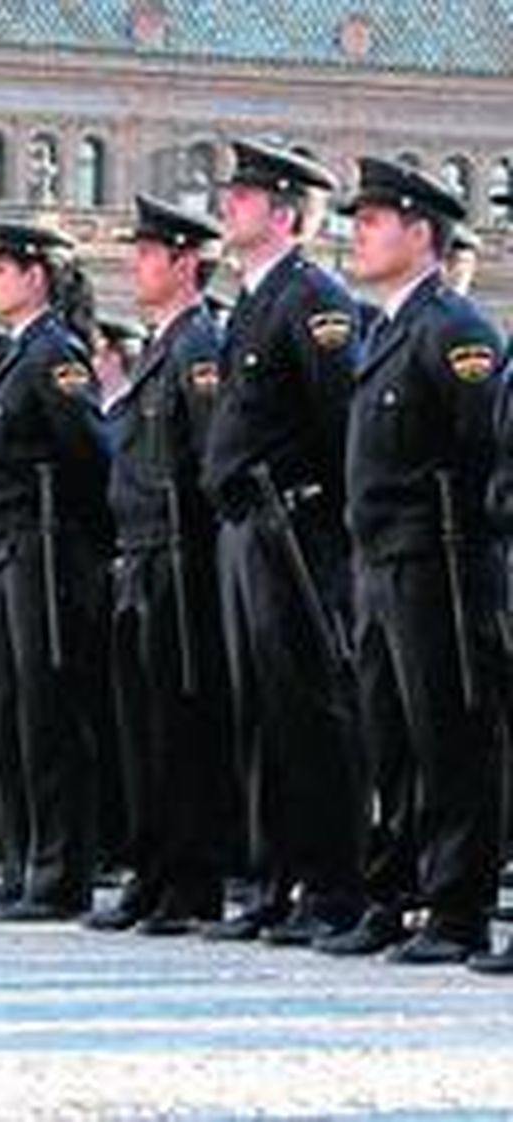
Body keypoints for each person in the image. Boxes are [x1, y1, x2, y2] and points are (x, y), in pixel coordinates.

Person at [312, 158, 506, 965]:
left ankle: (455, 907)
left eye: (374, 219)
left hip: (438, 561)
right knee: (387, 736)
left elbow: (482, 446)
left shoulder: (452, 328)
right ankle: (391, 895)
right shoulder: (388, 328)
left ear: (420, 232)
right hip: (379, 560)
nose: (357, 232)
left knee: (447, 734)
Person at [201, 138, 367, 946]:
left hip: (296, 529)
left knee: (309, 712)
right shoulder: (253, 302)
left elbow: (343, 429)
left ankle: (330, 887)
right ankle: (275, 882)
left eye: (244, 196)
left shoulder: (313, 301)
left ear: (284, 213)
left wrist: (331, 532)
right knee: (260, 713)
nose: (227, 205)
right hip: (247, 530)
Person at [90, 194, 229, 935]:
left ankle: (188, 879)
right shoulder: (163, 345)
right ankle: (151, 871)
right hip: (140, 555)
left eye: (147, 252)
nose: (133, 265)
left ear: (184, 263)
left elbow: (210, 459)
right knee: (141, 725)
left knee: (181, 725)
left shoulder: (199, 346)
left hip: (181, 555)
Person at [0, 221, 113, 921]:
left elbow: (89, 455)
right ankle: (22, 858)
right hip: (5, 546)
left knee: (48, 713)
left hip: (45, 547)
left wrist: (72, 541)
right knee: (8, 710)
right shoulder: (16, 354)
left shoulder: (55, 354)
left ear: (36, 276)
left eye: (1, 267)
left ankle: (58, 872)